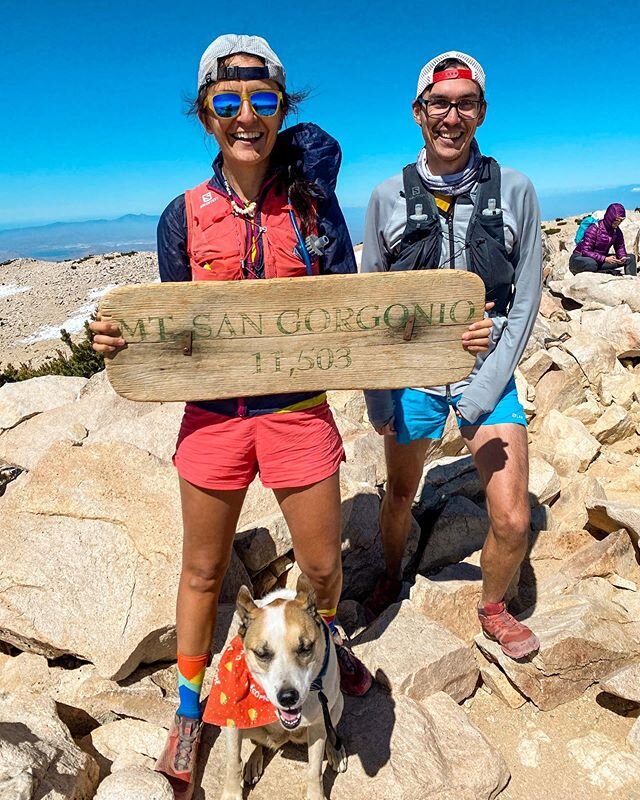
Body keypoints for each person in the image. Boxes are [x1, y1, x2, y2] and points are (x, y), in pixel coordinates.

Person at [90, 36, 492, 798]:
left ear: (281, 109)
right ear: (207, 113)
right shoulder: (183, 216)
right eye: (229, 102)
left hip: (298, 410)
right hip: (214, 418)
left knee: (322, 567)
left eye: (263, 101)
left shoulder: (313, 205)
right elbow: (170, 324)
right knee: (204, 570)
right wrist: (117, 337)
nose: (247, 117)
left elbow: (354, 309)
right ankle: (187, 706)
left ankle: (323, 649)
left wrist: (449, 335)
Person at [361, 51, 543, 662]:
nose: (452, 116)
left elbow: (525, 297)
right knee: (399, 496)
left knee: (514, 519)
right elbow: (370, 303)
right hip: (411, 378)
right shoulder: (386, 197)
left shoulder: (514, 190)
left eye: (466, 103)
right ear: (419, 113)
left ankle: (493, 604)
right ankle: (392, 571)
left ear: (482, 112)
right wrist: (378, 396)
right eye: (440, 103)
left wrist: (482, 391)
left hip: (487, 375)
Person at [569, 203, 637, 276]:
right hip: (580, 259)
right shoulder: (594, 229)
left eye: (621, 220)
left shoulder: (616, 231)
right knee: (591, 264)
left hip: (600, 260)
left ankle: (630, 279)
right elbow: (585, 251)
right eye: (617, 220)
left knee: (630, 258)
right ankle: (604, 272)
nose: (619, 223)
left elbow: (620, 247)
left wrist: (622, 257)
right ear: (611, 217)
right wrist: (605, 259)